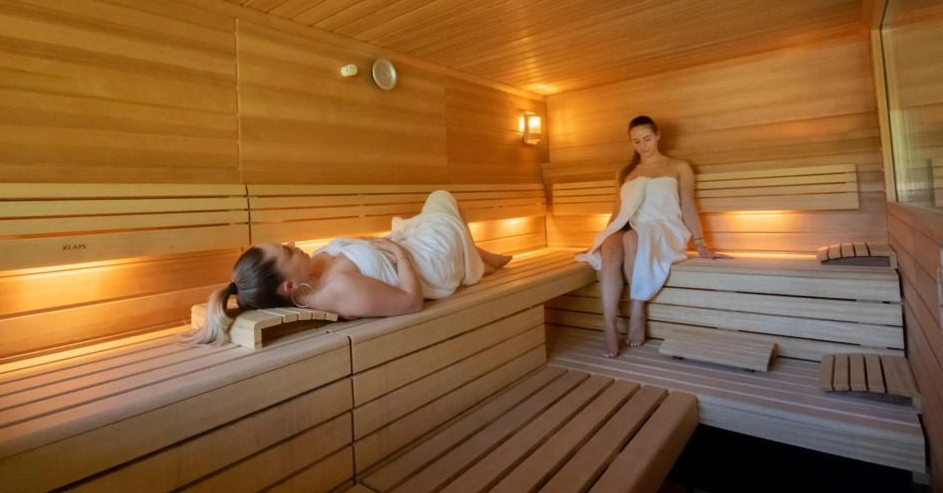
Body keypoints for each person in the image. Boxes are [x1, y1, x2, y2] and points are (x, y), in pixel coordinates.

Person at [191, 190, 513, 345]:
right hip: (427, 263)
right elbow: (411, 301)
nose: (291, 243)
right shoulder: (340, 291)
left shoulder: (311, 273)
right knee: (443, 199)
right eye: (286, 251)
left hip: (405, 247)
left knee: (430, 212)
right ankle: (471, 265)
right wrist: (397, 251)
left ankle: (474, 257)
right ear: (288, 286)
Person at [576, 116, 730, 358]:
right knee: (611, 245)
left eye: (647, 138)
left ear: (658, 135)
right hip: (630, 227)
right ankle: (609, 327)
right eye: (636, 141)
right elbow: (616, 212)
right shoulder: (625, 172)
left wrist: (701, 244)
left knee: (631, 239)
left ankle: (637, 310)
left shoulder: (679, 167)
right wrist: (602, 239)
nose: (642, 145)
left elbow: (688, 206)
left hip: (664, 228)